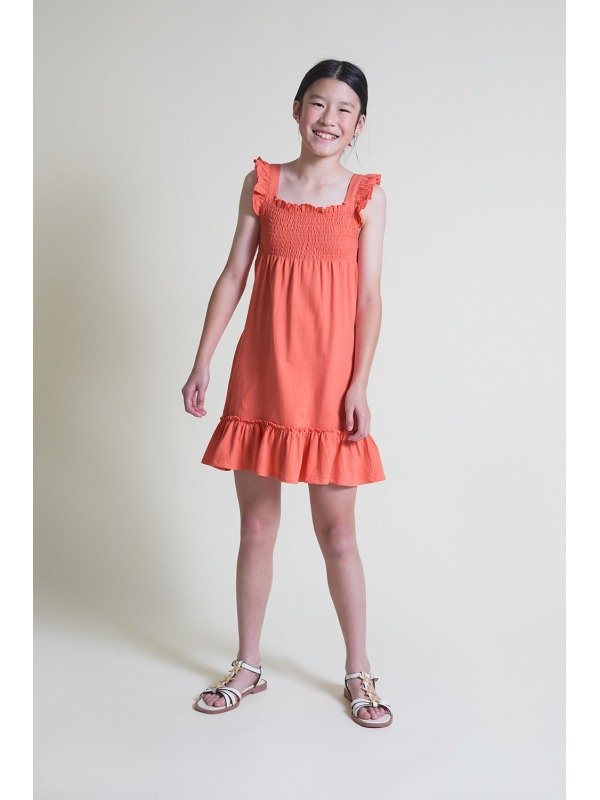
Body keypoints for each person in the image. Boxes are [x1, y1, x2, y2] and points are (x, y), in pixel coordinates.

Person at [181, 59, 393, 728]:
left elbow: (368, 298)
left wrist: (358, 384)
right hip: (263, 375)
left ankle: (359, 672)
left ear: (360, 124)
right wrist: (203, 360)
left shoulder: (366, 195)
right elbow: (233, 275)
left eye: (344, 110)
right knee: (256, 527)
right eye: (318, 103)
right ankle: (248, 665)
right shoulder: (263, 182)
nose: (328, 119)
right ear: (297, 108)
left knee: (339, 535)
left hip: (330, 385)